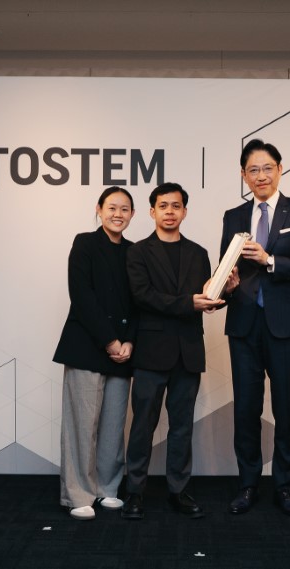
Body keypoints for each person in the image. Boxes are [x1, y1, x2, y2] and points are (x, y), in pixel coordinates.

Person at [220, 139, 290, 517]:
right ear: (243, 175)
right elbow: (225, 267)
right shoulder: (233, 216)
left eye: (267, 168)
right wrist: (226, 285)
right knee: (246, 408)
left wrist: (270, 259)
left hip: (287, 325)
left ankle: (285, 486)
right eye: (253, 170)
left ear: (280, 170)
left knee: (286, 408)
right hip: (244, 324)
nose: (260, 175)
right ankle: (247, 484)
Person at [121, 182, 231, 520]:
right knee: (143, 426)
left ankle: (178, 491)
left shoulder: (198, 253)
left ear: (185, 211)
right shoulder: (138, 252)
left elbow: (205, 297)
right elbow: (142, 296)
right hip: (151, 353)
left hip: (188, 352)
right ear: (152, 211)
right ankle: (134, 492)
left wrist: (222, 294)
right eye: (163, 206)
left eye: (176, 206)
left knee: (182, 426)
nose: (170, 212)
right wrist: (188, 304)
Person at [53, 186, 137, 520]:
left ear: (133, 214)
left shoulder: (134, 251)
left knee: (114, 424)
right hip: (88, 345)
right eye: (112, 207)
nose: (118, 214)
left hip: (123, 350)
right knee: (82, 423)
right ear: (99, 209)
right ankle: (78, 494)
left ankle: (107, 488)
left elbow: (139, 301)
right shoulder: (85, 243)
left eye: (125, 209)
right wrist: (110, 341)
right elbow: (82, 296)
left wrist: (129, 342)